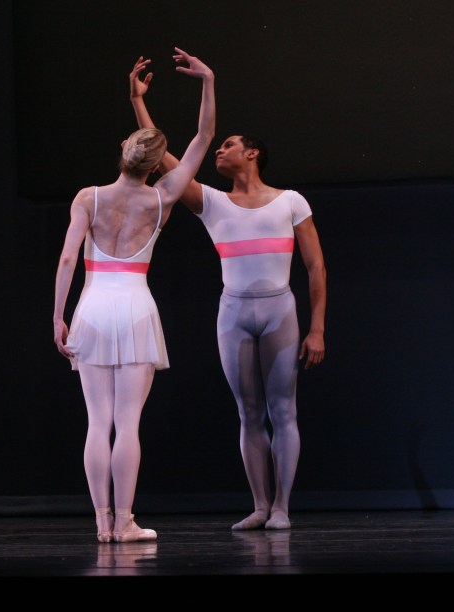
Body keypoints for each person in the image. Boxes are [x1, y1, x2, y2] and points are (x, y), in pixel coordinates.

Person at [128, 56, 326, 531]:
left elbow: (315, 264)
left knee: (283, 408)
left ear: (253, 153)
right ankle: (260, 505)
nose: (220, 151)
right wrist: (138, 101)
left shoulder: (291, 201)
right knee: (249, 412)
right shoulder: (210, 202)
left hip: (280, 309)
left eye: (230, 145)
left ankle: (282, 509)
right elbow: (162, 157)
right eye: (219, 147)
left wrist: (317, 328)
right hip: (234, 312)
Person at [53, 48, 216, 543]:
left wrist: (58, 316)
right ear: (150, 160)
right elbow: (203, 138)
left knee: (96, 422)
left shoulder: (89, 197)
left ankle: (102, 522)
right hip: (137, 308)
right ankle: (124, 521)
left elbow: (65, 261)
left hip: (95, 307)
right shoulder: (162, 197)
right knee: (127, 425)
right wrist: (208, 80)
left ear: (123, 149)